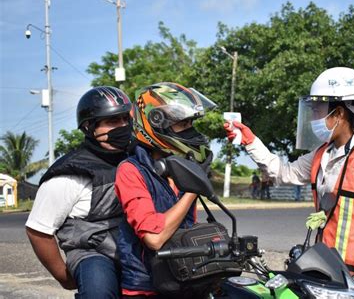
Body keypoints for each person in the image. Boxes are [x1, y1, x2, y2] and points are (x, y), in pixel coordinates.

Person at [224, 67, 354, 298]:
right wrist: (250, 141)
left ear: (338, 114)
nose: (312, 117)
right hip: (327, 268)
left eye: (317, 109)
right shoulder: (323, 153)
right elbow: (283, 172)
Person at [26, 86, 133, 298]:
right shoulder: (68, 174)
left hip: (134, 246)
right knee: (98, 291)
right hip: (93, 252)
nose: (122, 126)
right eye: (112, 121)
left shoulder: (136, 158)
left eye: (124, 119)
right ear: (89, 127)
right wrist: (64, 278)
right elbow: (38, 231)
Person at [114, 82, 216, 297]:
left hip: (184, 276)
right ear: (157, 124)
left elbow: (186, 226)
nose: (190, 131)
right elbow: (154, 237)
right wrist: (193, 189)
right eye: (182, 124)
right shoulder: (130, 171)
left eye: (190, 123)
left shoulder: (180, 165)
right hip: (146, 287)